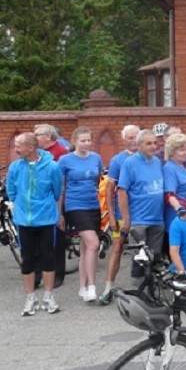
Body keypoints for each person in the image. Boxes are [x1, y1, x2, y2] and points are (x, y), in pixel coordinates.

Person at [6, 132, 63, 316]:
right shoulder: (15, 167)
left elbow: (56, 190)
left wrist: (47, 208)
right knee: (27, 259)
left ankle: (48, 296)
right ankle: (30, 297)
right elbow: (11, 190)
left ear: (30, 148)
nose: (15, 149)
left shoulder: (53, 166)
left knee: (48, 257)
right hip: (24, 221)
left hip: (45, 219)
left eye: (18, 145)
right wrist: (19, 207)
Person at [59, 127, 104, 302]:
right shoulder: (64, 160)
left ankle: (82, 287)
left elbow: (97, 180)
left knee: (87, 248)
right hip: (74, 205)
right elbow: (61, 189)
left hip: (93, 205)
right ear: (74, 141)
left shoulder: (96, 158)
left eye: (88, 140)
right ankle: (92, 286)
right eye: (82, 140)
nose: (86, 143)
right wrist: (60, 214)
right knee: (94, 244)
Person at [98, 124, 140, 305]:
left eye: (136, 137)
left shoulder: (150, 158)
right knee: (117, 247)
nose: (133, 141)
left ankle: (144, 287)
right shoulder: (117, 160)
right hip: (122, 214)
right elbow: (109, 191)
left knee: (144, 251)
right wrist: (112, 217)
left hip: (143, 214)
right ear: (123, 140)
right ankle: (108, 287)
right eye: (130, 137)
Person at [117, 129, 165, 283]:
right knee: (139, 258)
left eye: (154, 143)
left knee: (155, 256)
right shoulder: (130, 163)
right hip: (139, 219)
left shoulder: (157, 161)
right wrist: (126, 217)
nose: (153, 146)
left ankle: (152, 289)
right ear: (139, 145)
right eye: (148, 143)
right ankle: (138, 291)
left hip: (157, 219)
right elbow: (122, 191)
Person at [33, 123, 68, 286]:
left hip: (55, 200)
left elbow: (60, 183)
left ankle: (58, 274)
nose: (34, 137)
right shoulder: (37, 153)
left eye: (37, 134)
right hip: (39, 201)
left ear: (48, 137)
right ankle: (39, 274)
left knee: (57, 239)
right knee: (39, 240)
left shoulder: (60, 153)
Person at [163, 133, 186, 252]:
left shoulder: (183, 167)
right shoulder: (170, 168)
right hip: (178, 217)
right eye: (181, 150)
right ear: (172, 151)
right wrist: (180, 210)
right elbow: (169, 195)